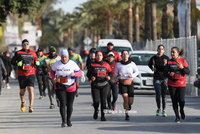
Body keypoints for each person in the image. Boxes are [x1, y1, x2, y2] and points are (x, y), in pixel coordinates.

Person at [51, 49, 82, 127]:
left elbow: (80, 72)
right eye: (62, 57)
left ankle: (68, 119)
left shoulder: (73, 64)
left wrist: (74, 74)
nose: (64, 59)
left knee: (69, 104)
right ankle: (63, 121)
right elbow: (52, 71)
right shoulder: (56, 64)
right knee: (62, 103)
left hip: (70, 86)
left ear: (68, 57)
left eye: (65, 57)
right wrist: (53, 78)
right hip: (60, 86)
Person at [11, 39, 40, 113]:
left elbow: (36, 61)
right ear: (22, 45)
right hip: (22, 74)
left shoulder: (33, 53)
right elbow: (12, 61)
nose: (26, 45)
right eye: (24, 44)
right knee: (22, 91)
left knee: (30, 89)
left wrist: (37, 62)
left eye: (27, 44)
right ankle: (23, 102)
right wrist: (17, 63)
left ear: (29, 45)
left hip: (31, 74)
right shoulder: (18, 53)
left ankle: (31, 106)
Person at [164, 47, 190, 123]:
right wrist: (169, 74)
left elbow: (188, 72)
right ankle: (177, 116)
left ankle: (181, 110)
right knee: (174, 100)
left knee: (182, 100)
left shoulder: (183, 61)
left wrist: (182, 68)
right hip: (172, 84)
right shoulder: (169, 62)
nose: (172, 54)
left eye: (173, 52)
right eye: (171, 52)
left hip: (181, 83)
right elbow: (165, 73)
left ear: (178, 53)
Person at [114, 50, 139, 121]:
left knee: (130, 101)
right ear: (121, 56)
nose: (125, 56)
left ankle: (129, 105)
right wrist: (118, 75)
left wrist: (132, 75)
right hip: (122, 83)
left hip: (130, 83)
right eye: (123, 54)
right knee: (125, 98)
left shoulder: (132, 64)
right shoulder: (118, 64)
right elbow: (115, 74)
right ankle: (127, 114)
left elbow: (137, 72)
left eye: (126, 54)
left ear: (128, 55)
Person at [88, 51, 112, 121]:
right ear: (95, 56)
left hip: (104, 84)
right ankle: (96, 110)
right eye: (97, 55)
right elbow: (88, 74)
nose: (99, 57)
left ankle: (103, 115)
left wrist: (109, 77)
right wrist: (91, 77)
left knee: (103, 101)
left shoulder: (107, 65)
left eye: (100, 55)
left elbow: (110, 73)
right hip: (95, 85)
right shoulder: (92, 64)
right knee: (96, 101)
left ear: (102, 56)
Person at [148, 45, 169, 117]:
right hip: (157, 78)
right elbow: (149, 64)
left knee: (164, 95)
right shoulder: (154, 58)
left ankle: (164, 110)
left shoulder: (166, 58)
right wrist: (152, 69)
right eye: (159, 49)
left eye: (162, 49)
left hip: (164, 78)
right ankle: (159, 108)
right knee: (158, 94)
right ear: (157, 50)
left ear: (164, 50)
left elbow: (168, 67)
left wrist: (166, 64)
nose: (160, 50)